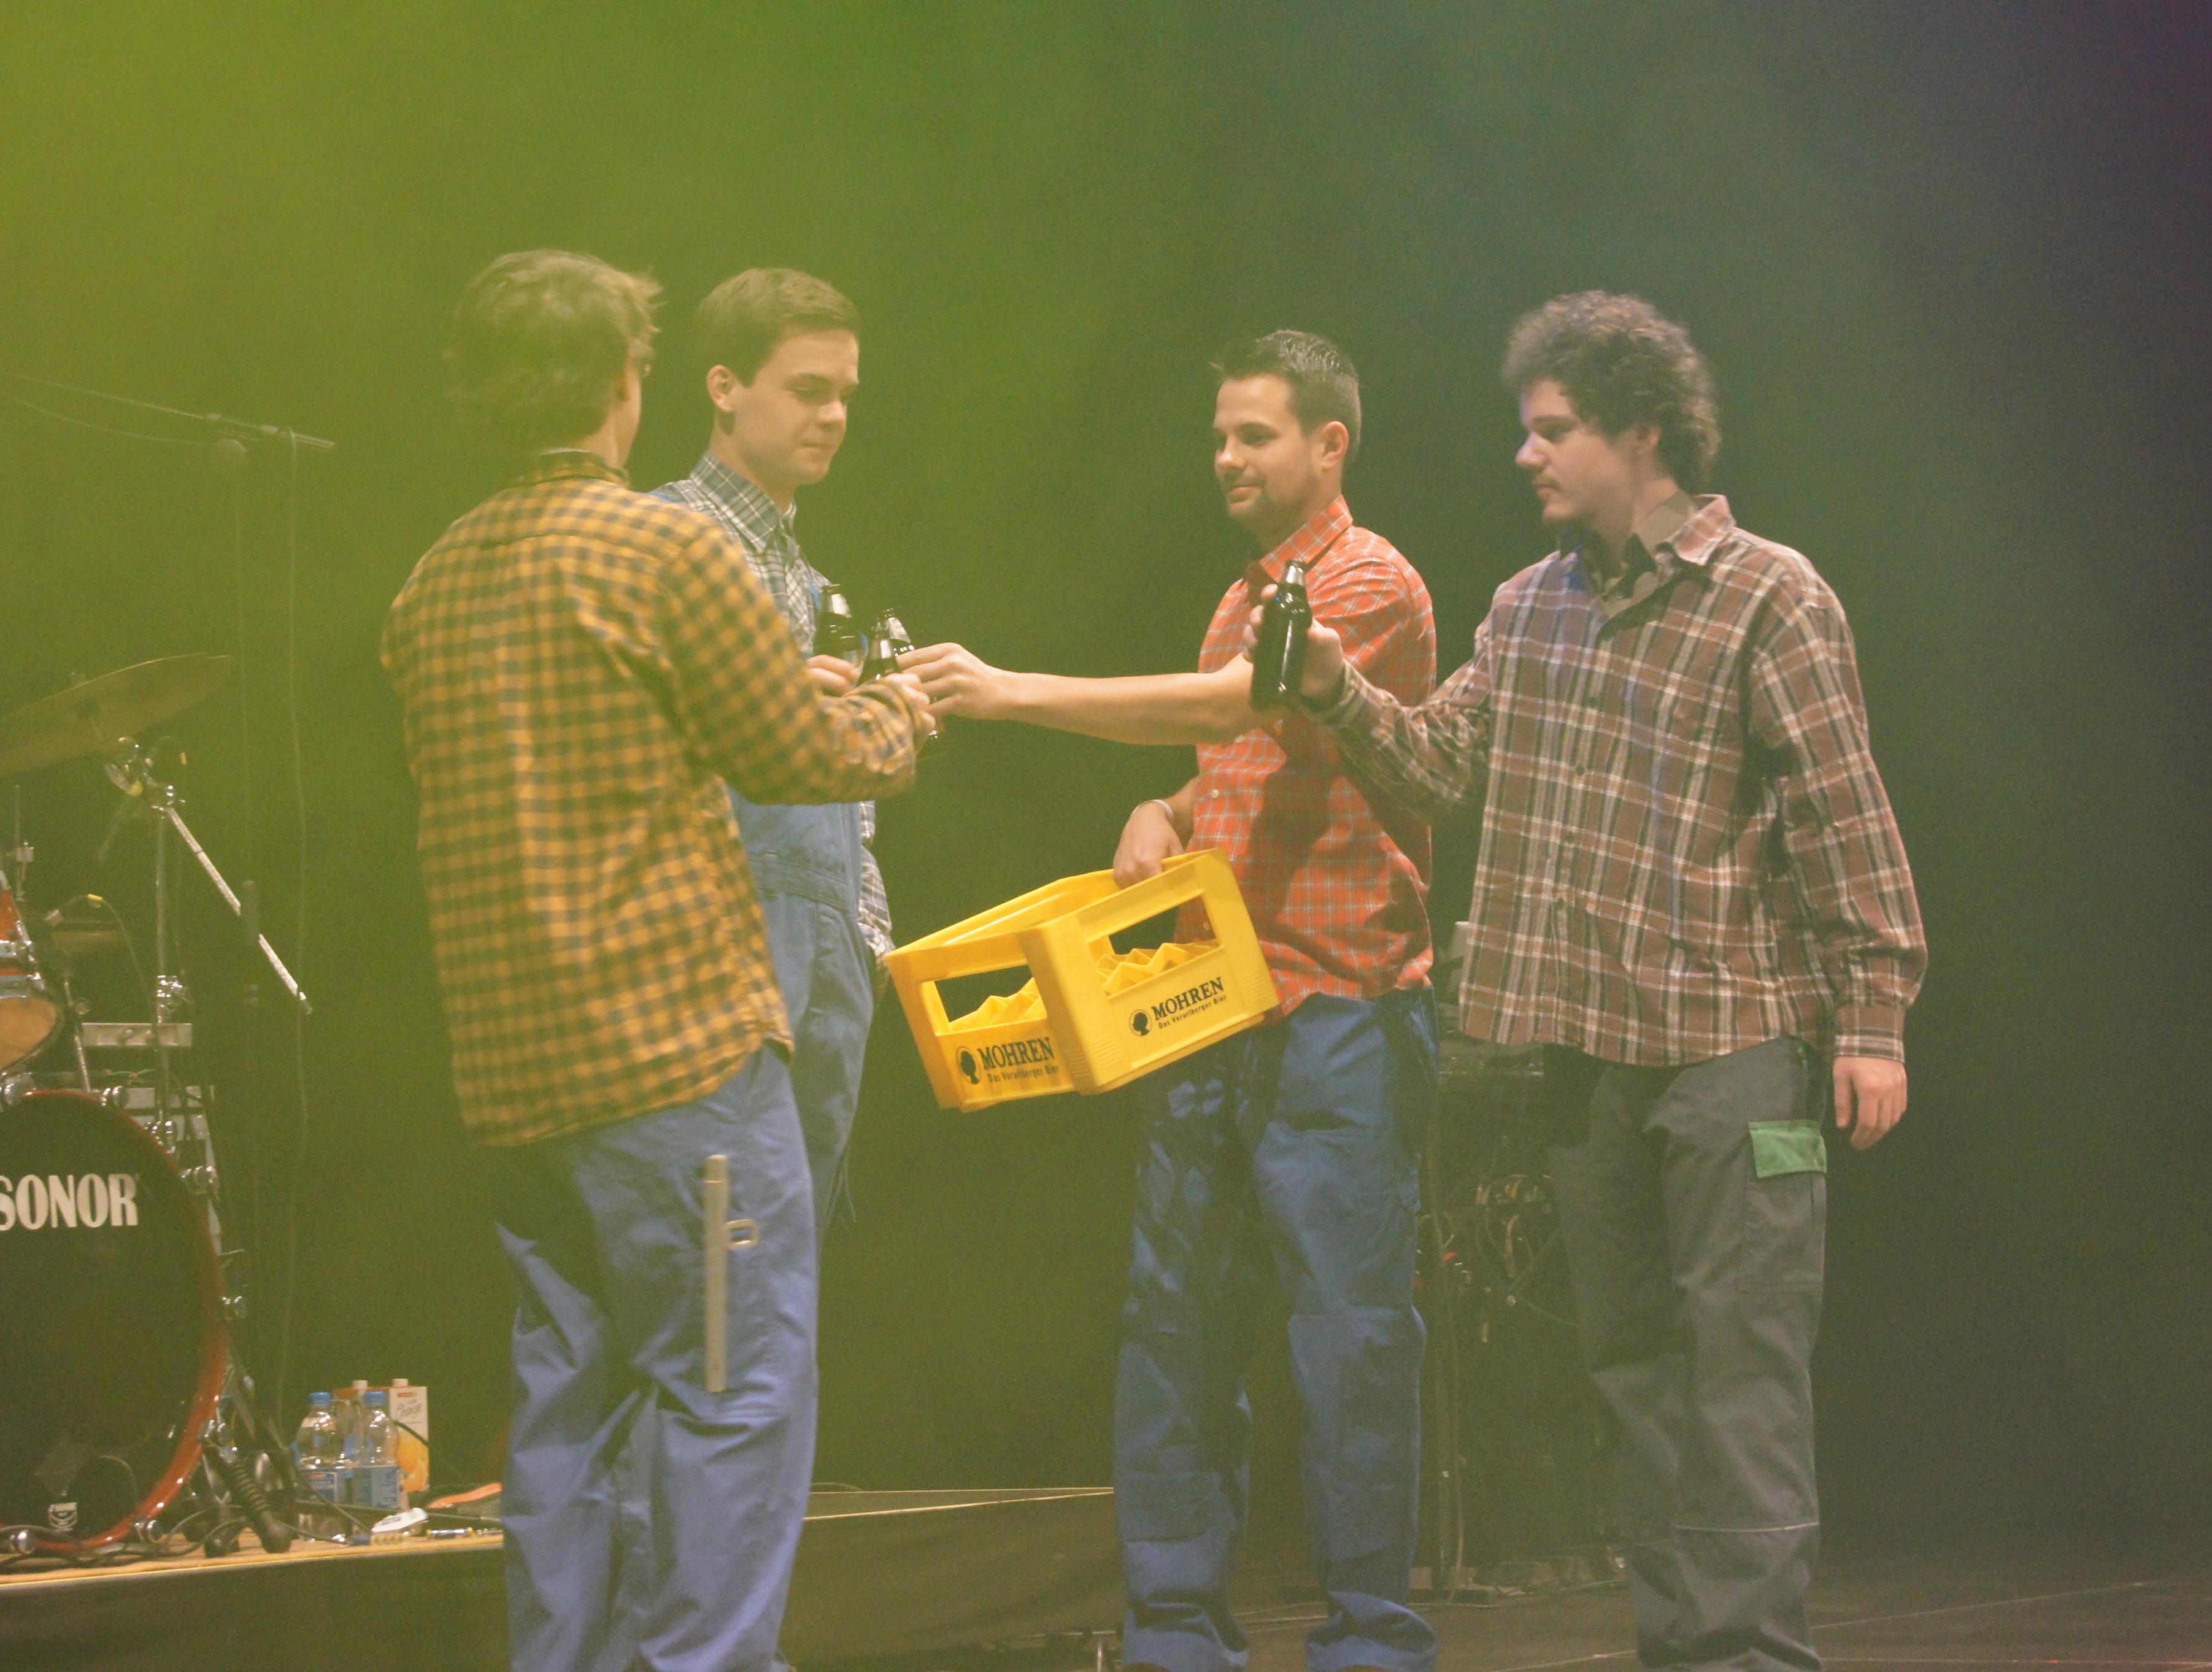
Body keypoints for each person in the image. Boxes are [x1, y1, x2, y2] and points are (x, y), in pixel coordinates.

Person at [1279, 292, 1927, 1672]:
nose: (1527, 454)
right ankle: (1680, 1645)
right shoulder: (1529, 610)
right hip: (1582, 1056)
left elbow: (1842, 817)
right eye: (1527, 429)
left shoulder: (1768, 594)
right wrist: (1334, 687)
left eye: (1554, 429)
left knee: (1741, 1363)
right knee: (1632, 1366)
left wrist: (1872, 1024)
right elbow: (1440, 767)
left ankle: (1752, 1653)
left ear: (1643, 432)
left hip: (1737, 1052)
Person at [380, 249, 925, 1672]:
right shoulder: (666, 552)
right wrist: (894, 714)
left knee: (567, 1404)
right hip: (675, 1059)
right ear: (626, 385)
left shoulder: (427, 586)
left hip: (519, 1080)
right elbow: (798, 752)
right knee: (734, 1390)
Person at [903, 330, 1443, 1672]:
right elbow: (1235, 761)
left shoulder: (1365, 581)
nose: (1225, 458)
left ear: (1329, 444)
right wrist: (1162, 806)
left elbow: (1242, 700)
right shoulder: (1240, 592)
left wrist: (1010, 690)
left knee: (1350, 1338)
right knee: (1173, 1325)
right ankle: (1175, 1632)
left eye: (1254, 435)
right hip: (1211, 1007)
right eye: (1217, 436)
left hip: (1337, 1012)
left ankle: (1370, 1637)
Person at [652, 267, 888, 1232]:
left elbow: (846, 810)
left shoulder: (821, 588)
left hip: (824, 955)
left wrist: (867, 939)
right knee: (708, 1262)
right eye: (807, 390)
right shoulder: (661, 541)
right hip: (714, 944)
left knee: (786, 1260)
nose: (833, 416)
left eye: (845, 395)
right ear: (724, 386)